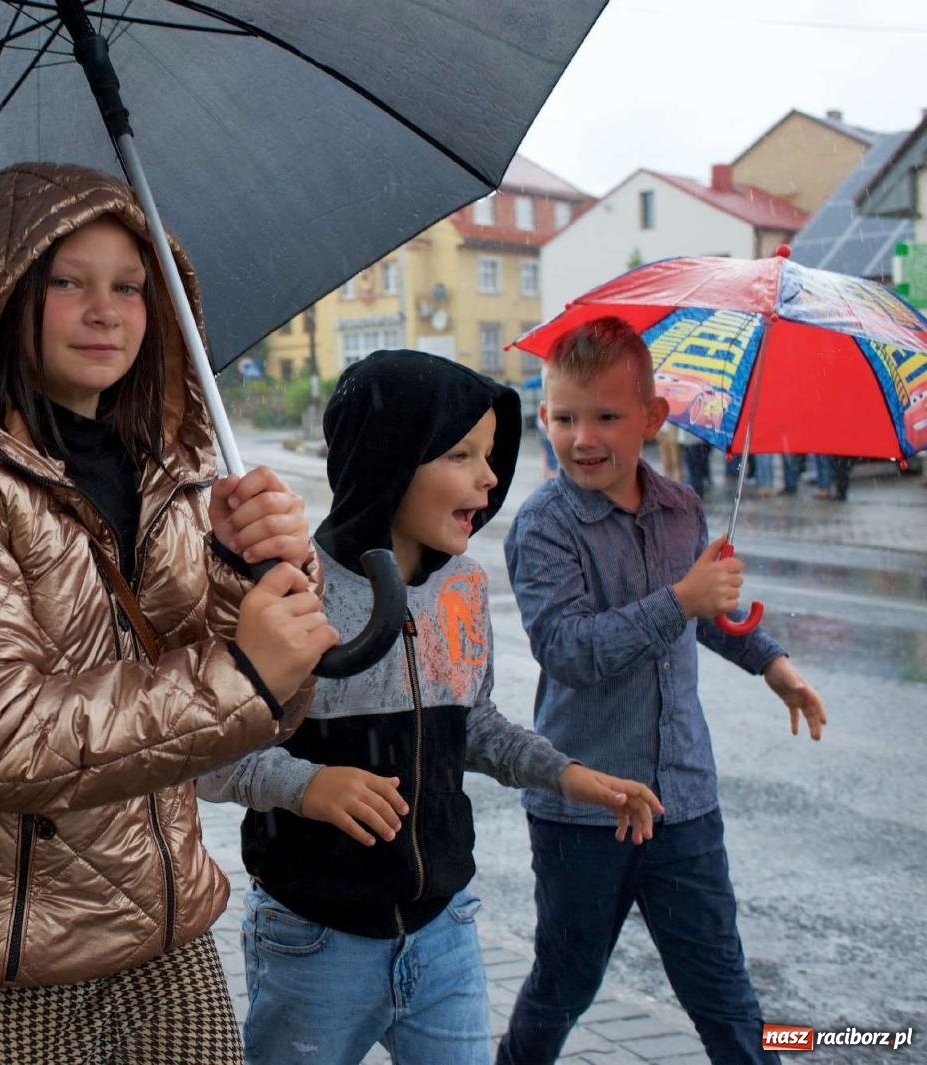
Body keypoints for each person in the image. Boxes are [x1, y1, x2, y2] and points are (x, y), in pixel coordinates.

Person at [0, 163, 337, 1064]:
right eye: (66, 282)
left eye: (129, 285)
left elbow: (240, 706)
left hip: (165, 938)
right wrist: (243, 672)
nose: (105, 310)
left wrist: (249, 577)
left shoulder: (170, 470)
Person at [201, 350, 663, 1065]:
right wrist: (307, 785)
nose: (489, 475)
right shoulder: (292, 594)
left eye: (490, 454)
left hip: (445, 933)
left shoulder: (464, 588)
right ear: (388, 461)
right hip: (316, 943)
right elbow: (213, 757)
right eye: (460, 453)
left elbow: (474, 723)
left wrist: (570, 775)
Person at [498, 317, 829, 1065]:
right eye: (563, 416)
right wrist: (681, 597)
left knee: (726, 997)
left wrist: (772, 663)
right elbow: (570, 649)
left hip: (683, 802)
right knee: (565, 982)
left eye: (606, 416)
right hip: (587, 807)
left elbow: (706, 616)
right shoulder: (545, 527)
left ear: (652, 418)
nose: (582, 436)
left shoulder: (681, 508)